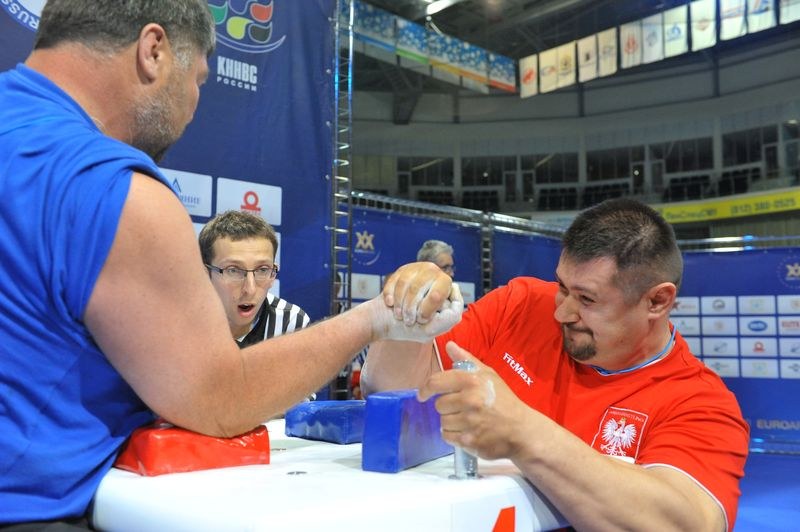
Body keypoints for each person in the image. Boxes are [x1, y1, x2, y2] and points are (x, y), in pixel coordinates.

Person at [0, 0, 462, 525]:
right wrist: (376, 317)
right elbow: (219, 399)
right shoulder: (113, 189)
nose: (194, 106)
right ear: (153, 51)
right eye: (197, 79)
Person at [362, 198, 749, 532]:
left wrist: (522, 431)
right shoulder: (521, 304)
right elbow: (392, 397)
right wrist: (407, 322)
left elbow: (685, 522)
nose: (562, 311)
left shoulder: (701, 402)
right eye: (563, 286)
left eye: (587, 299)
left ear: (657, 302)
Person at [198, 210, 310, 346]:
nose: (250, 290)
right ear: (205, 275)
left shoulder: (291, 324)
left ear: (273, 274)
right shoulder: (176, 323)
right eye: (233, 270)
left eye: (262, 270)